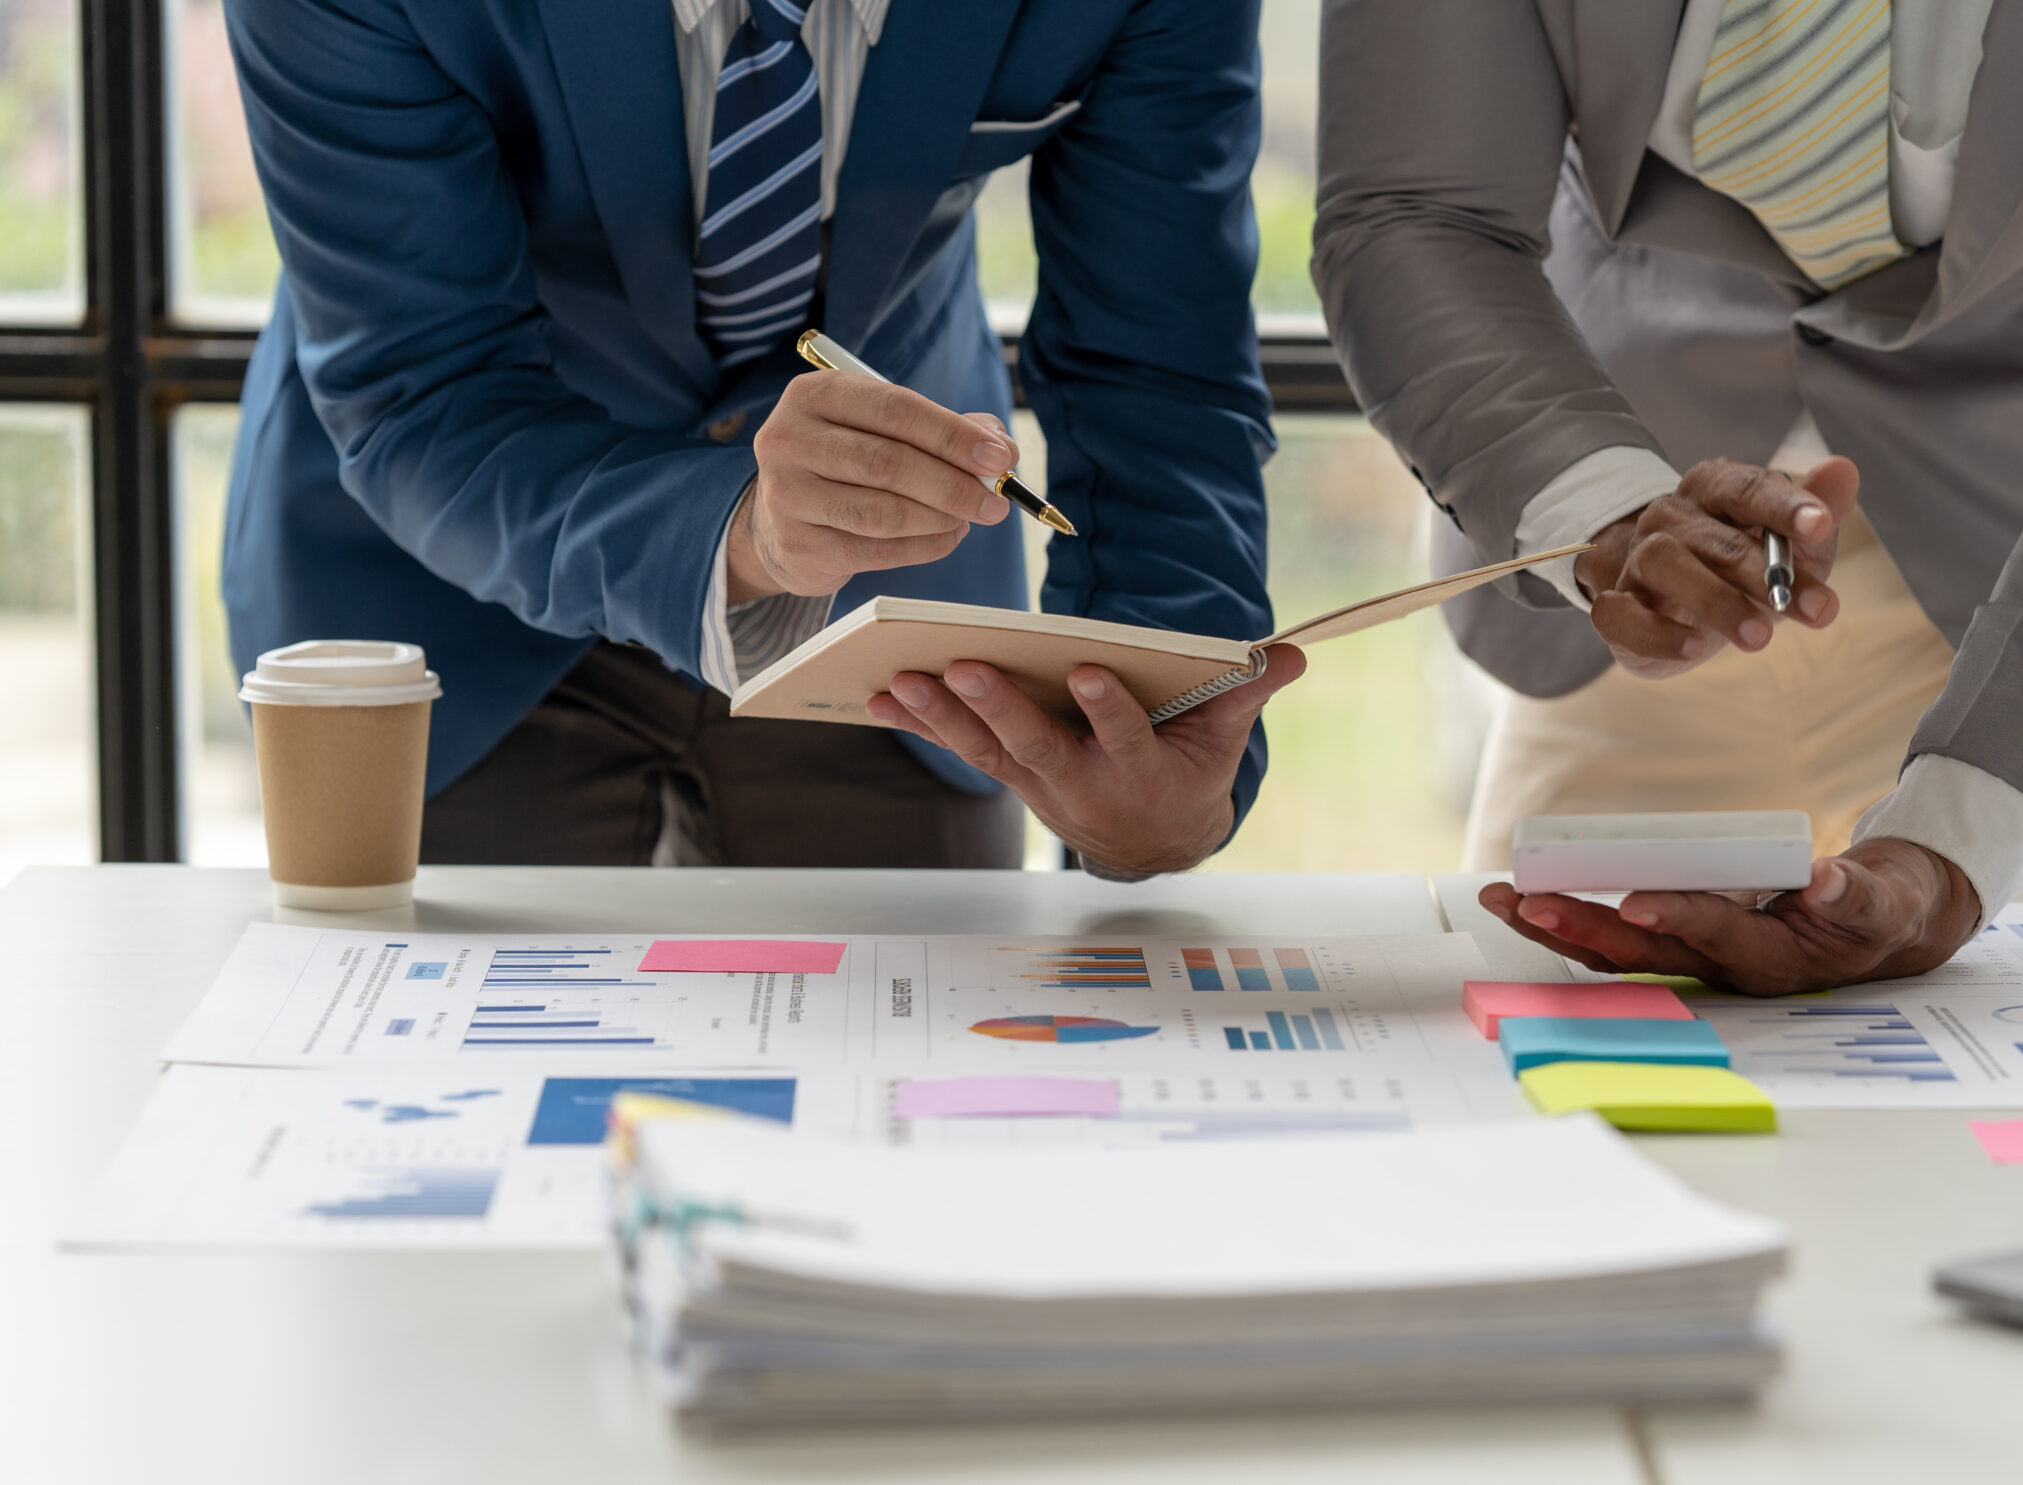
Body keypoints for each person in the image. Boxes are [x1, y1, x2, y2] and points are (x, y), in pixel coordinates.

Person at [1313, 0, 2023, 989]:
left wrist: (1956, 850)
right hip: (1640, 531)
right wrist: (1599, 509)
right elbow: (1423, 209)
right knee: (1576, 1134)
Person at [221, 0, 1298, 880]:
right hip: (451, 572)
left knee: (912, 1091)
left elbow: (1159, 368)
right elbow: (429, 384)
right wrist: (735, 536)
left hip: (895, 603)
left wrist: (1172, 730)